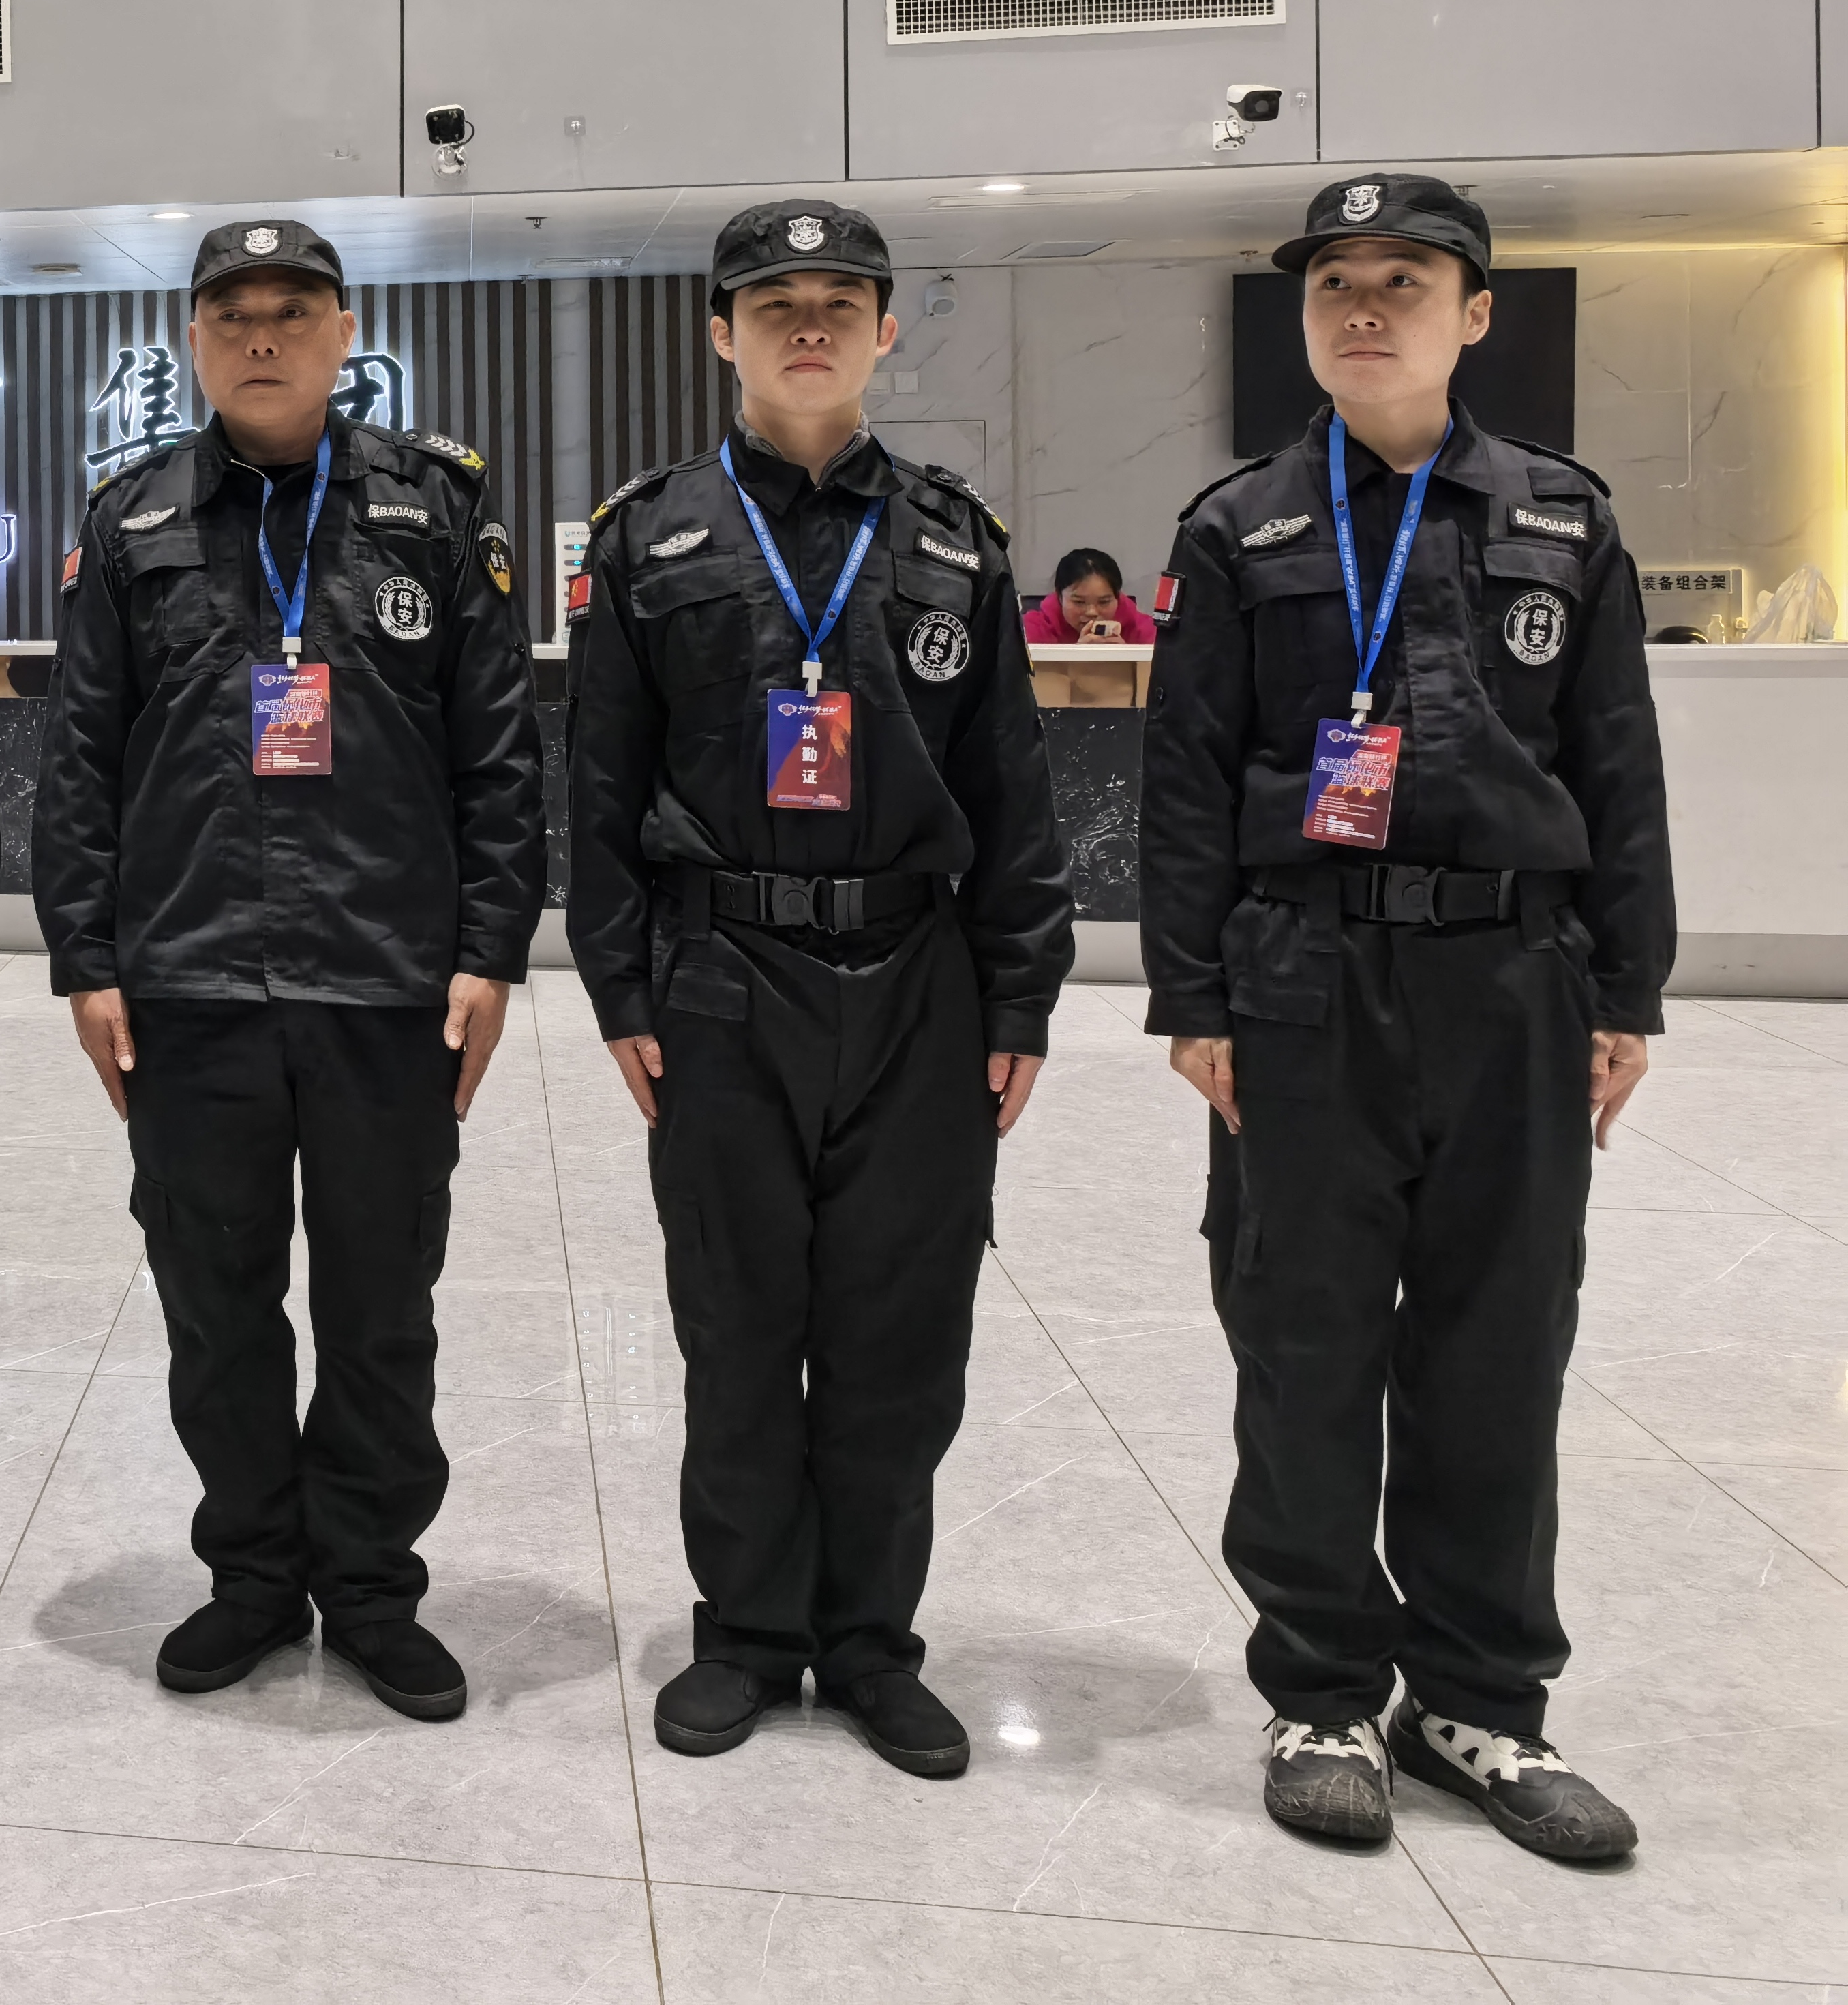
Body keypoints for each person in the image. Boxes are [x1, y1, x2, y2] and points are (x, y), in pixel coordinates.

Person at [1141, 172, 1666, 1864]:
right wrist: (1191, 996)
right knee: (1303, 1346)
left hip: (1513, 980)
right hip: (1302, 980)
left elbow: (1617, 765)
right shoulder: (1238, 529)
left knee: (1497, 1345)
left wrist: (1627, 990)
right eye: (1334, 283)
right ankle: (1317, 1692)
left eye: (1403, 281)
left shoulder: (1562, 520)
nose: (1362, 309)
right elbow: (1183, 777)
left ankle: (1476, 1704)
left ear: (1474, 314)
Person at [566, 198, 1073, 1778]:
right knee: (735, 1327)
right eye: (771, 302)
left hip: (917, 981)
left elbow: (1010, 785)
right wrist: (621, 988)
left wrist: (1019, 997)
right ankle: (743, 1634)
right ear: (719, 332)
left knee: (897, 1337)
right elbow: (597, 786)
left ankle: (864, 1644)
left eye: (836, 303)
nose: (805, 325)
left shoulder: (951, 540)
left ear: (882, 331)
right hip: (719, 976)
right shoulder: (646, 538)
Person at [31, 216, 544, 1725]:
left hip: (387, 982)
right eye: (233, 314)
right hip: (190, 983)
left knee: (383, 1310)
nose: (262, 335)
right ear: (193, 340)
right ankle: (254, 1576)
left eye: (292, 310)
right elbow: (80, 759)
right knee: (218, 1307)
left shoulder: (434, 511)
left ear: (343, 332)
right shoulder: (131, 520)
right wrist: (86, 959)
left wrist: (490, 951)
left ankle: (372, 1587)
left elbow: (499, 751)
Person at [1022, 548, 1155, 645]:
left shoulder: (1145, 631)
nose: (1092, 612)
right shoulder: (1031, 631)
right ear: (1060, 597)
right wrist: (1076, 657)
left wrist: (1129, 659)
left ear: (1117, 597)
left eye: (1104, 602)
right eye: (1079, 602)